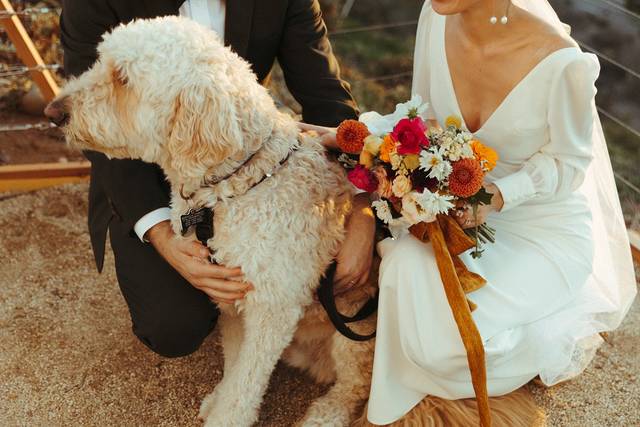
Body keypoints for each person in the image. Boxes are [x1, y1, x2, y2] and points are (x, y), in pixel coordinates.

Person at [310, 0, 637, 424]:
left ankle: (541, 335)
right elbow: (422, 114)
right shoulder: (435, 17)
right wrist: (352, 135)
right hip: (454, 217)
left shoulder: (563, 63)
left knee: (450, 350)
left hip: (540, 231)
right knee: (403, 267)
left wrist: (498, 195)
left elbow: (569, 164)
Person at [60, 0, 375, 358]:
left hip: (249, 166)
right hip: (143, 179)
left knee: (340, 275)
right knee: (173, 327)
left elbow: (327, 98)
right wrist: (163, 236)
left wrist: (362, 209)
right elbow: (88, 121)